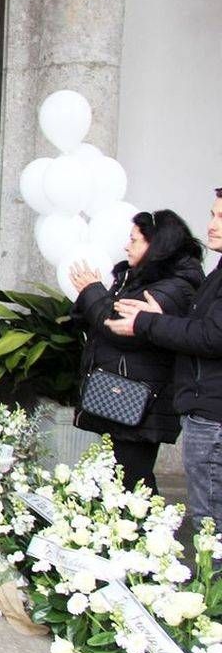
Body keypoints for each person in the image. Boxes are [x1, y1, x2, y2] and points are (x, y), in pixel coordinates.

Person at [108, 188, 222, 529]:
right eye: (213, 215)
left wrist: (148, 322)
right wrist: (159, 319)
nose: (212, 225)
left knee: (211, 524)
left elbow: (213, 336)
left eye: (221, 218)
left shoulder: (183, 280)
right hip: (204, 408)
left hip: (212, 413)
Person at [68, 210, 203, 493]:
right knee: (121, 481)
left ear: (156, 245)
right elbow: (103, 317)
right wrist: (91, 300)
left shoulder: (173, 287)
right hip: (126, 395)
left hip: (143, 400)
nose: (126, 246)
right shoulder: (139, 278)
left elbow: (121, 327)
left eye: (134, 240)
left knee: (133, 484)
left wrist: (91, 291)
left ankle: (146, 522)